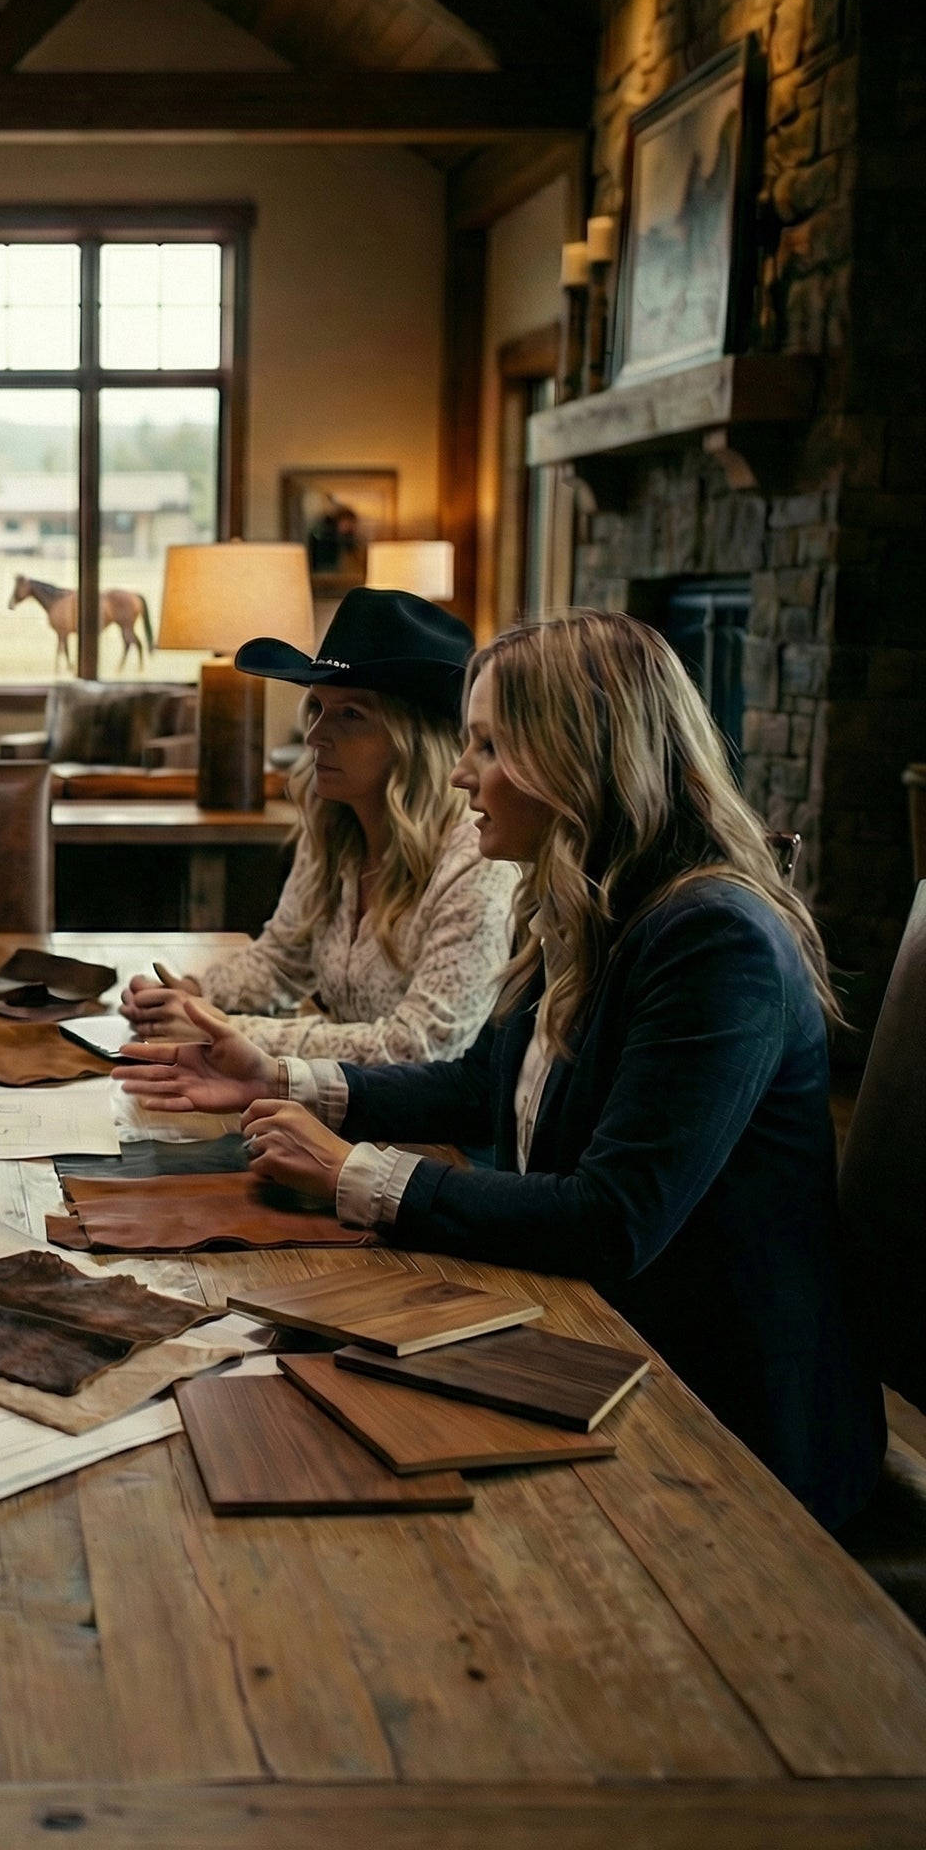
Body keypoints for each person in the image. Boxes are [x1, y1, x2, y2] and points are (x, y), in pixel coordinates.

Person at [119, 611, 884, 1530]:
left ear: (574, 758)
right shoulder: (582, 895)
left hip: (722, 1423)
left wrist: (355, 1174)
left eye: (487, 745)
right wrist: (275, 1080)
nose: (460, 773)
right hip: (594, 1338)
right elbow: (480, 1085)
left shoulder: (715, 938)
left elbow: (612, 1220)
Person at [122, 587, 517, 1067]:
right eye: (317, 708)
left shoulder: (476, 862)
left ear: (414, 739)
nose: (314, 736)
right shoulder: (336, 825)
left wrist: (222, 1029)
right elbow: (281, 961)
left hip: (429, 1115)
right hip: (338, 1100)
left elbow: (420, 1046)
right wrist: (191, 994)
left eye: (350, 714)